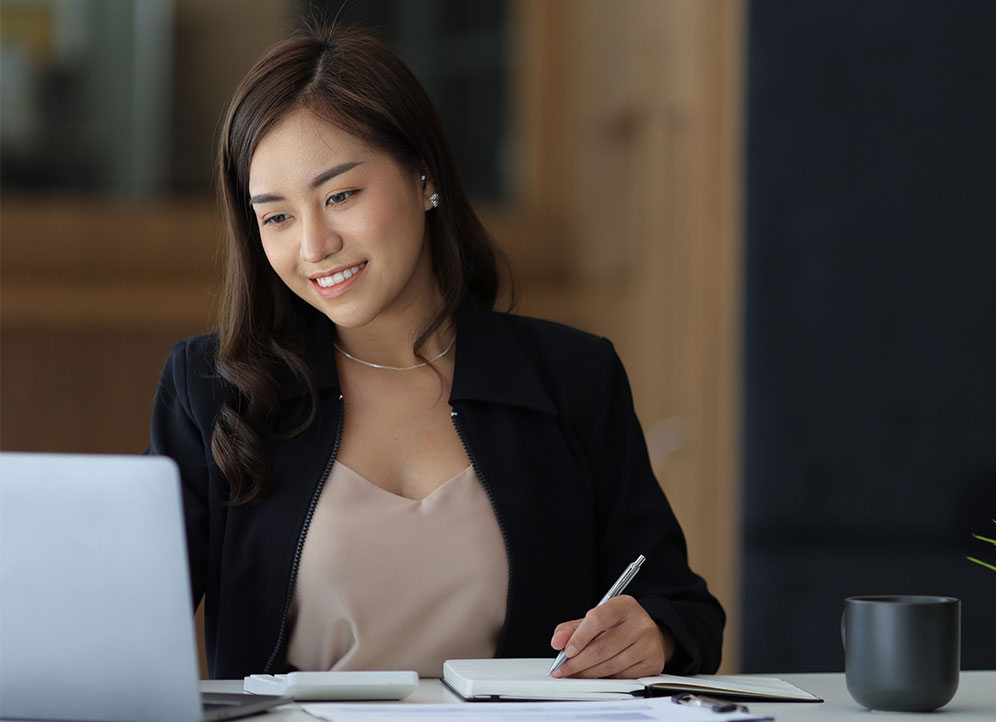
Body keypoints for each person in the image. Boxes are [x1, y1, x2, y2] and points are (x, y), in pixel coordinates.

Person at [149, 24, 724, 681]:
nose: (313, 247)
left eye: (340, 196)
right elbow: (121, 622)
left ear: (424, 177)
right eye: (276, 216)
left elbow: (683, 606)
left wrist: (654, 634)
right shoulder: (214, 391)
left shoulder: (572, 379)